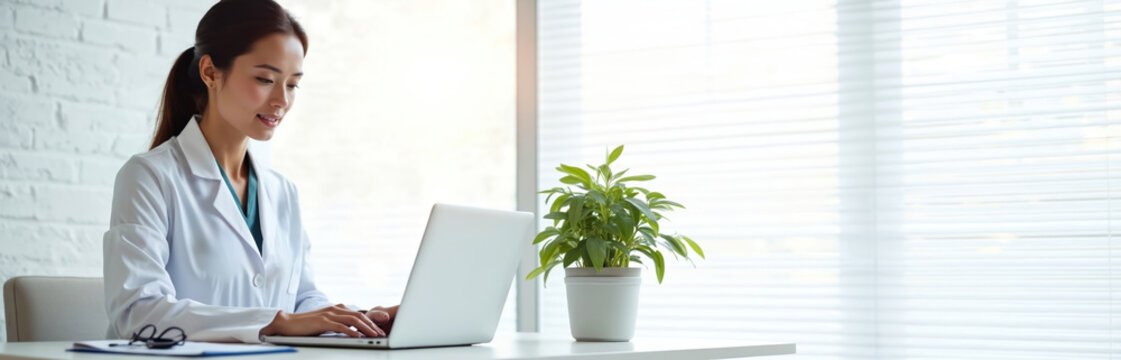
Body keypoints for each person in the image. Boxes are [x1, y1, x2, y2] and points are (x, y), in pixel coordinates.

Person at [102, 0, 396, 343]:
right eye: (265, 79)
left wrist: (359, 320)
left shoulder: (282, 191)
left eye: (292, 85)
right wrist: (276, 321)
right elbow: (137, 312)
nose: (282, 101)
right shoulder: (149, 177)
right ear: (210, 72)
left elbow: (302, 299)